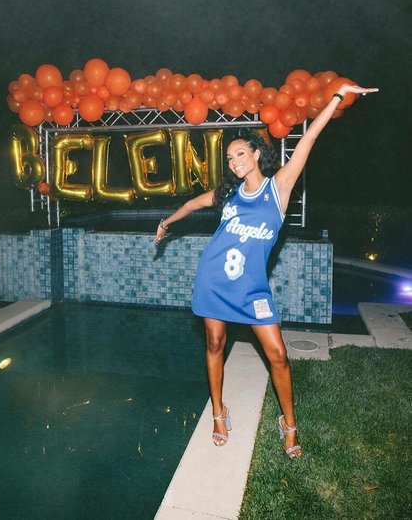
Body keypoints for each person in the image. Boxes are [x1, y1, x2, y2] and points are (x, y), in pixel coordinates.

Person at [153, 84, 379, 457]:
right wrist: (166, 222)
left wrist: (337, 97)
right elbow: (192, 204)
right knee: (214, 344)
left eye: (240, 153)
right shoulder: (227, 194)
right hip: (214, 281)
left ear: (257, 153)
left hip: (253, 289)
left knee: (278, 355)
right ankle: (218, 413)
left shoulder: (278, 188)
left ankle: (289, 424)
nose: (234, 161)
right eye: (229, 157)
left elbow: (309, 139)